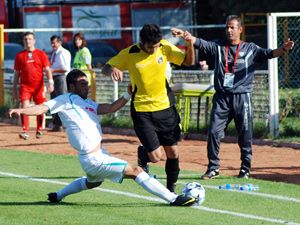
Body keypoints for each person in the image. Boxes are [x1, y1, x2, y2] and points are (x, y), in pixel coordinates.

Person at [7, 69, 196, 207]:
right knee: (136, 170)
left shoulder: (88, 102)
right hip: (93, 158)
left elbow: (110, 108)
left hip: (96, 155)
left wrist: (127, 94)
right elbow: (42, 107)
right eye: (82, 84)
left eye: (87, 84)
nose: (86, 87)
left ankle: (58, 195)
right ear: (71, 86)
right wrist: (21, 110)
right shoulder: (64, 100)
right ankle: (173, 199)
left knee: (92, 182)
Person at [171, 15, 295, 179]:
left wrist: (285, 49)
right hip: (222, 97)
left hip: (242, 97)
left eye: (232, 27)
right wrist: (185, 35)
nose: (229, 30)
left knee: (245, 134)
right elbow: (200, 42)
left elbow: (270, 53)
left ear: (240, 30)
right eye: (227, 27)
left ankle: (245, 168)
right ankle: (213, 168)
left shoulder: (250, 48)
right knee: (214, 132)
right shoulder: (218, 46)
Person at [102, 24, 195, 192]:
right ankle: (143, 154)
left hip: (165, 108)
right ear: (142, 42)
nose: (154, 50)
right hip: (142, 110)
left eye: (157, 46)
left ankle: (170, 190)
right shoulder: (130, 53)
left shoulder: (164, 47)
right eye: (151, 47)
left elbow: (188, 61)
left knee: (173, 152)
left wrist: (189, 44)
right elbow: (105, 67)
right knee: (156, 157)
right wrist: (113, 69)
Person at [13, 31, 54, 140]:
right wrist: (14, 89)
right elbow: (17, 73)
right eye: (26, 39)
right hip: (25, 86)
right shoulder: (20, 55)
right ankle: (25, 130)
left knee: (40, 108)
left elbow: (47, 69)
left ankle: (39, 130)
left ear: (34, 40)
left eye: (30, 39)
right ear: (23, 41)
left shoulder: (41, 54)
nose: (28, 41)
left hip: (38, 86)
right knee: (24, 107)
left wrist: (51, 82)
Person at [49, 35, 71, 132]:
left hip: (61, 78)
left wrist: (52, 70)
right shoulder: (55, 53)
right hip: (55, 77)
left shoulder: (63, 53)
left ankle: (65, 123)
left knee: (62, 101)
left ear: (59, 42)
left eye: (54, 42)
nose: (53, 45)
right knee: (54, 101)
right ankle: (57, 124)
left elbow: (65, 68)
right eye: (52, 43)